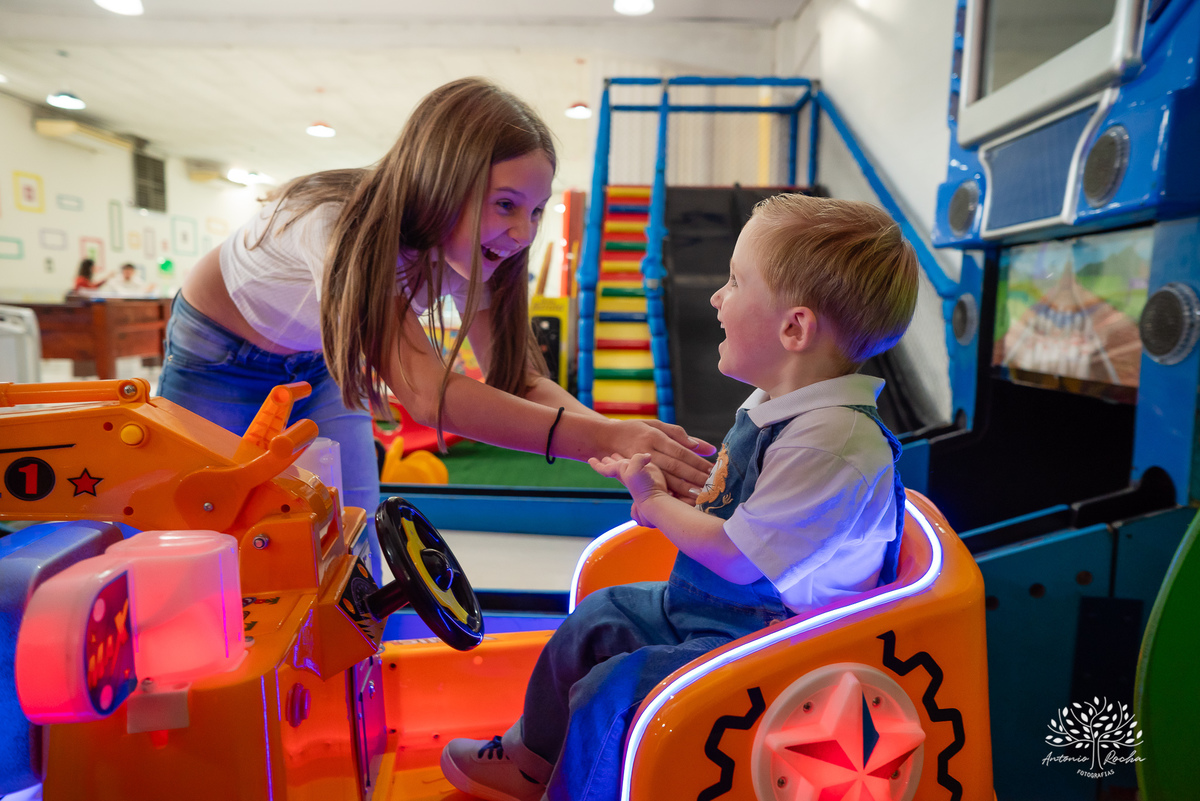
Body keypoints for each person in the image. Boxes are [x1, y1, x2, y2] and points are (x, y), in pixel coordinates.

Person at [440, 193, 920, 801]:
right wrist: (676, 489)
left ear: (794, 328)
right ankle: (531, 759)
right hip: (712, 615)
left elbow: (738, 558)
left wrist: (653, 504)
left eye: (735, 281)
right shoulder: (780, 409)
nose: (717, 298)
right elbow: (741, 511)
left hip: (781, 646)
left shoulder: (834, 442)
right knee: (599, 617)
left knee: (619, 690)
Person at [157, 77, 715, 578]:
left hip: (319, 364)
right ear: (441, 183)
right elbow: (427, 394)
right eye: (505, 204)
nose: (524, 232)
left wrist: (619, 444)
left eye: (535, 210)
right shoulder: (337, 227)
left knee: (351, 532)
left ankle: (351, 649)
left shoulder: (482, 252)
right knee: (187, 525)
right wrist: (608, 436)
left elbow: (517, 379)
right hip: (216, 353)